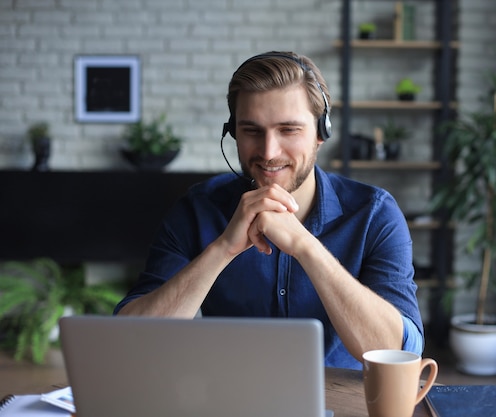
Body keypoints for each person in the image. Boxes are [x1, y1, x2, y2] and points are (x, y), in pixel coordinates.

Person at [114, 51, 425, 370]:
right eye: (251, 130)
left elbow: (400, 352)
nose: (268, 152)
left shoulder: (375, 214)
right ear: (233, 132)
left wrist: (306, 248)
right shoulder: (198, 209)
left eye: (288, 130)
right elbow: (130, 340)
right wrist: (222, 250)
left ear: (322, 132)